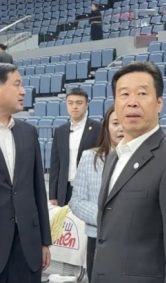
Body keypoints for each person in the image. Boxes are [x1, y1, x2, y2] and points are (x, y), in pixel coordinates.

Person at [91, 62, 166, 283]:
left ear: (159, 103)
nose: (132, 102)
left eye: (142, 93)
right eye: (124, 94)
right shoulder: (115, 155)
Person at [0, 63, 51, 283]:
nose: (23, 91)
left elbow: (38, 188)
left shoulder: (28, 133)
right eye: (17, 84)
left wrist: (44, 242)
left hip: (28, 248)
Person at [68, 106, 123, 282]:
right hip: (98, 238)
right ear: (106, 127)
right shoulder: (89, 157)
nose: (121, 128)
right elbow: (76, 201)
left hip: (133, 243)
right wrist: (105, 216)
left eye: (124, 122)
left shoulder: (147, 159)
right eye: (115, 123)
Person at [49, 88, 101, 207]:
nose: (74, 107)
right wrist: (52, 195)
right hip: (65, 189)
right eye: (70, 103)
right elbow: (55, 165)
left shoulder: (98, 128)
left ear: (86, 105)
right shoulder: (60, 131)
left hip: (88, 189)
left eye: (79, 103)